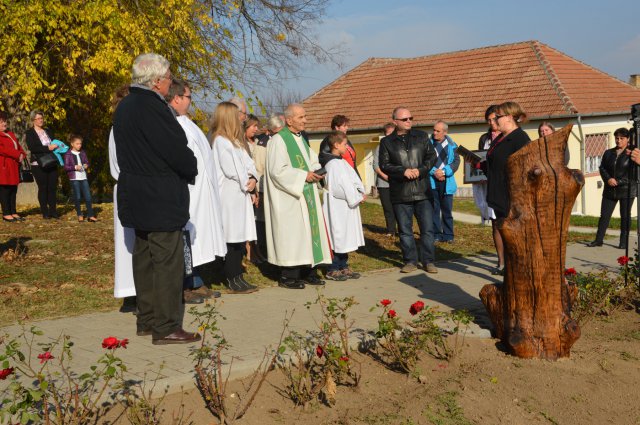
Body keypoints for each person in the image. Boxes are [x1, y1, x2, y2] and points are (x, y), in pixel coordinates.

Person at [113, 52, 200, 345]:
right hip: (159, 194)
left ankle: (147, 319)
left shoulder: (125, 106)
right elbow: (174, 148)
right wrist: (191, 167)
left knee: (144, 257)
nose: (170, 83)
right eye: (168, 78)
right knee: (166, 261)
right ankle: (166, 326)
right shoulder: (152, 106)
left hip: (135, 193)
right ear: (158, 80)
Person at [167, 78, 226, 302]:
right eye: (189, 97)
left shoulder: (186, 122)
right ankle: (184, 286)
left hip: (202, 191)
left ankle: (196, 280)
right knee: (186, 239)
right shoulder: (172, 124)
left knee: (197, 239)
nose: (191, 101)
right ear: (177, 98)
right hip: (189, 193)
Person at [263, 103, 332, 289]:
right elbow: (277, 171)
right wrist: (304, 176)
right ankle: (288, 276)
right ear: (289, 120)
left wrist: (317, 170)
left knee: (308, 234)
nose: (305, 120)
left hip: (306, 194)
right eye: (301, 117)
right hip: (289, 198)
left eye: (305, 116)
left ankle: (308, 272)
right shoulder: (279, 140)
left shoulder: (301, 138)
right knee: (292, 236)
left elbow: (312, 160)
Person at [379, 106, 438, 274]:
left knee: (427, 229)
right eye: (404, 119)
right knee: (405, 231)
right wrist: (402, 171)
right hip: (401, 192)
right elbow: (384, 164)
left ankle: (428, 261)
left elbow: (431, 157)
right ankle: (410, 261)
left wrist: (421, 170)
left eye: (410, 118)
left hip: (423, 190)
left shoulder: (421, 136)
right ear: (395, 121)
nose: (408, 121)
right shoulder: (387, 142)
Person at [210, 102, 259, 294]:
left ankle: (239, 275)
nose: (242, 119)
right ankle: (232, 277)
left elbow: (249, 162)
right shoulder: (220, 141)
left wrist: (253, 178)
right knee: (232, 238)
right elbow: (232, 170)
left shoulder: (236, 142)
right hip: (229, 196)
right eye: (237, 115)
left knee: (240, 238)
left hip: (241, 193)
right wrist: (246, 180)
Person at [482, 101, 531, 277]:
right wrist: (481, 165)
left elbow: (525, 170)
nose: (496, 120)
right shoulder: (503, 138)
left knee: (514, 243)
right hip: (499, 196)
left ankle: (517, 277)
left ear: (509, 117)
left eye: (498, 117)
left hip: (511, 199)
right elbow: (497, 167)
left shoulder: (519, 138)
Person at [108, 85, 137, 313]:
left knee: (135, 243)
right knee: (129, 244)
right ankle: (130, 295)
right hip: (130, 187)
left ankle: (135, 294)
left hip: (132, 186)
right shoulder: (120, 128)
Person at [323, 131, 366, 281]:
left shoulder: (342, 162)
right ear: (336, 145)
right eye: (345, 144)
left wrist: (360, 191)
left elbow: (353, 179)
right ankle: (333, 268)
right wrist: (356, 196)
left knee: (346, 236)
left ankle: (343, 265)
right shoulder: (332, 164)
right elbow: (336, 188)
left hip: (347, 206)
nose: (347, 147)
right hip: (338, 208)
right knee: (338, 236)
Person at [587, 128, 636, 249]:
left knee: (625, 216)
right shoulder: (608, 152)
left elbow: (634, 174)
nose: (618, 141)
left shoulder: (632, 153)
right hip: (609, 190)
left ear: (628, 139)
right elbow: (602, 167)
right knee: (604, 215)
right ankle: (598, 240)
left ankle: (623, 242)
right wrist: (608, 179)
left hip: (626, 190)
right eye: (617, 138)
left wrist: (618, 181)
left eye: (621, 138)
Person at [474, 105, 504, 275]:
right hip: (488, 184)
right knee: (495, 224)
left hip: (504, 185)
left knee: (506, 223)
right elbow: (481, 158)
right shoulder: (485, 138)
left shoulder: (508, 137)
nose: (492, 122)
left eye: (494, 119)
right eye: (489, 120)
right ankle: (500, 261)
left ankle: (511, 260)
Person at [429, 120, 460, 243]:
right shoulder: (427, 144)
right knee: (434, 209)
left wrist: (443, 172)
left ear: (445, 132)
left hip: (447, 181)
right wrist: (435, 172)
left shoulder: (453, 145)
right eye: (434, 130)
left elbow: (456, 162)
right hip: (432, 181)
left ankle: (448, 235)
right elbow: (423, 161)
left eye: (438, 131)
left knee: (447, 210)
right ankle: (436, 234)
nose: (434, 133)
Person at [25, 110, 59, 219]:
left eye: (42, 118)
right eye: (38, 119)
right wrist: (47, 148)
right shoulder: (30, 133)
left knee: (52, 187)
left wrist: (58, 146)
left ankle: (53, 211)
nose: (41, 120)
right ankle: (45, 212)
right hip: (38, 164)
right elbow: (32, 148)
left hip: (51, 162)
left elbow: (55, 142)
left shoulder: (48, 131)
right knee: (43, 187)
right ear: (33, 120)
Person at [244, 113, 267, 264]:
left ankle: (256, 248)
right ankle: (248, 250)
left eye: (257, 126)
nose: (256, 129)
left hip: (257, 183)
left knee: (256, 218)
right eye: (253, 126)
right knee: (249, 218)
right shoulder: (242, 144)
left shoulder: (258, 142)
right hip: (247, 185)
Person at [63, 135, 97, 222]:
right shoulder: (68, 154)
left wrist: (86, 165)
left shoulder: (83, 152)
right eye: (77, 144)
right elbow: (66, 167)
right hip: (74, 178)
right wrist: (75, 167)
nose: (79, 145)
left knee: (88, 197)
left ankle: (90, 215)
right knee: (77, 197)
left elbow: (87, 162)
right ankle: (79, 214)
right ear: (72, 144)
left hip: (83, 177)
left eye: (80, 144)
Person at [0, 112, 27, 222]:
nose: (4, 123)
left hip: (13, 165)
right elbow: (2, 149)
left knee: (13, 189)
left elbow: (18, 146)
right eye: (1, 122)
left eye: (5, 121)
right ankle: (6, 213)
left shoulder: (10, 134)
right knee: (5, 190)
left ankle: (13, 211)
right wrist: (17, 154)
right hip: (3, 166)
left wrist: (22, 154)